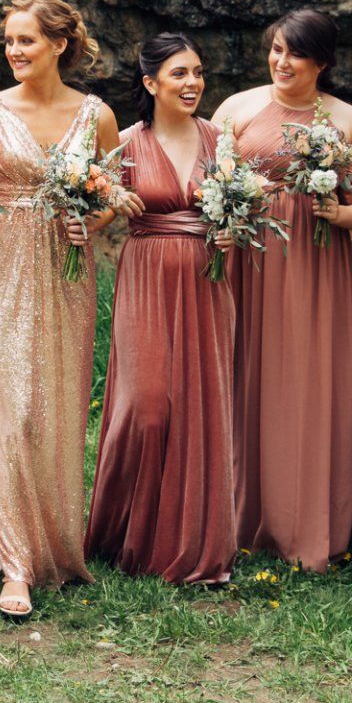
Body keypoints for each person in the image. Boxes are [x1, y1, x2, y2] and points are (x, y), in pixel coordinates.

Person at [0, 0, 123, 617]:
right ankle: (16, 565)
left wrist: (95, 219)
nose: (13, 50)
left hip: (67, 271)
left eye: (26, 40)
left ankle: (58, 544)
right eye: (8, 41)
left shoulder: (96, 115)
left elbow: (115, 193)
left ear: (59, 44)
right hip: (2, 268)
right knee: (15, 412)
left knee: (57, 408)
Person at [212, 10, 352, 573]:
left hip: (313, 259)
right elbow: (208, 180)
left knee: (305, 378)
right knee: (243, 370)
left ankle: (304, 522)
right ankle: (234, 517)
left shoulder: (347, 120)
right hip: (247, 256)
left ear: (322, 63)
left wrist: (339, 213)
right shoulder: (236, 109)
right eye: (276, 50)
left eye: (296, 54)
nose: (281, 62)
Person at [86, 33, 239, 584]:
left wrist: (232, 232)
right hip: (146, 277)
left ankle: (192, 542)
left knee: (200, 406)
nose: (193, 82)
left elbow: (237, 210)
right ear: (151, 83)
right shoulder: (126, 143)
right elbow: (91, 220)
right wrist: (109, 201)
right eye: (179, 73)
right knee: (146, 406)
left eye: (197, 71)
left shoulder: (221, 141)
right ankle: (120, 533)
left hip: (207, 280)